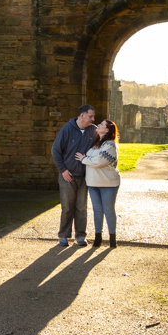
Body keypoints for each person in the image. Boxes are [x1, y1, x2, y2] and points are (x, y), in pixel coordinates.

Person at [52, 104, 97, 247]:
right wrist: (63, 170)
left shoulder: (93, 131)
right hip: (68, 176)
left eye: (93, 117)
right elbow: (56, 151)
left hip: (84, 176)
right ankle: (63, 236)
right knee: (67, 207)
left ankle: (80, 236)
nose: (93, 119)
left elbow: (100, 149)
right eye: (90, 116)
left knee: (81, 208)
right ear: (82, 115)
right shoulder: (67, 129)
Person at [75, 120, 121, 248]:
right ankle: (98, 237)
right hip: (93, 183)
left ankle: (112, 238)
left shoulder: (110, 145)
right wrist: (89, 159)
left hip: (108, 183)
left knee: (109, 210)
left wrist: (85, 159)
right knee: (97, 210)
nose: (98, 125)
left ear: (107, 130)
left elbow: (99, 161)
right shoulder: (95, 145)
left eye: (101, 125)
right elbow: (94, 159)